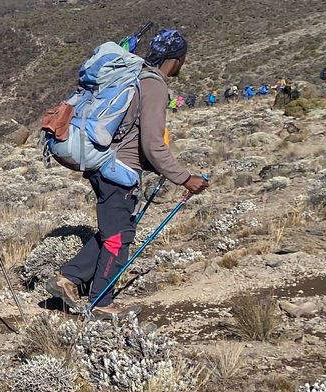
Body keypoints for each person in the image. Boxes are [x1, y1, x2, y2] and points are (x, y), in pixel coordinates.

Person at [47, 29, 209, 317]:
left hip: (103, 165)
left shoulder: (134, 77)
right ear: (177, 59)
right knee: (118, 239)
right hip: (118, 172)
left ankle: (69, 278)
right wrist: (184, 178)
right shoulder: (154, 85)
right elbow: (152, 144)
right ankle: (102, 303)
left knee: (113, 231)